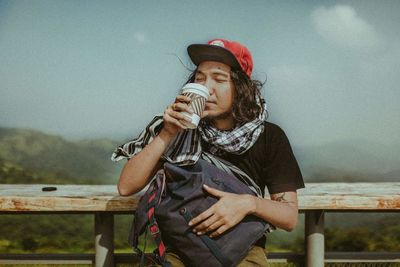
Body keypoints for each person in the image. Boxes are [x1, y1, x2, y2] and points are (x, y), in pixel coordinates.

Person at [112, 38, 305, 266]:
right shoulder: (178, 131)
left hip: (242, 251)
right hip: (179, 251)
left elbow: (289, 217)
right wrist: (167, 133)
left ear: (241, 87)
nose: (206, 88)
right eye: (200, 79)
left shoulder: (269, 136)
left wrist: (248, 203)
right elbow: (126, 186)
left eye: (219, 79)